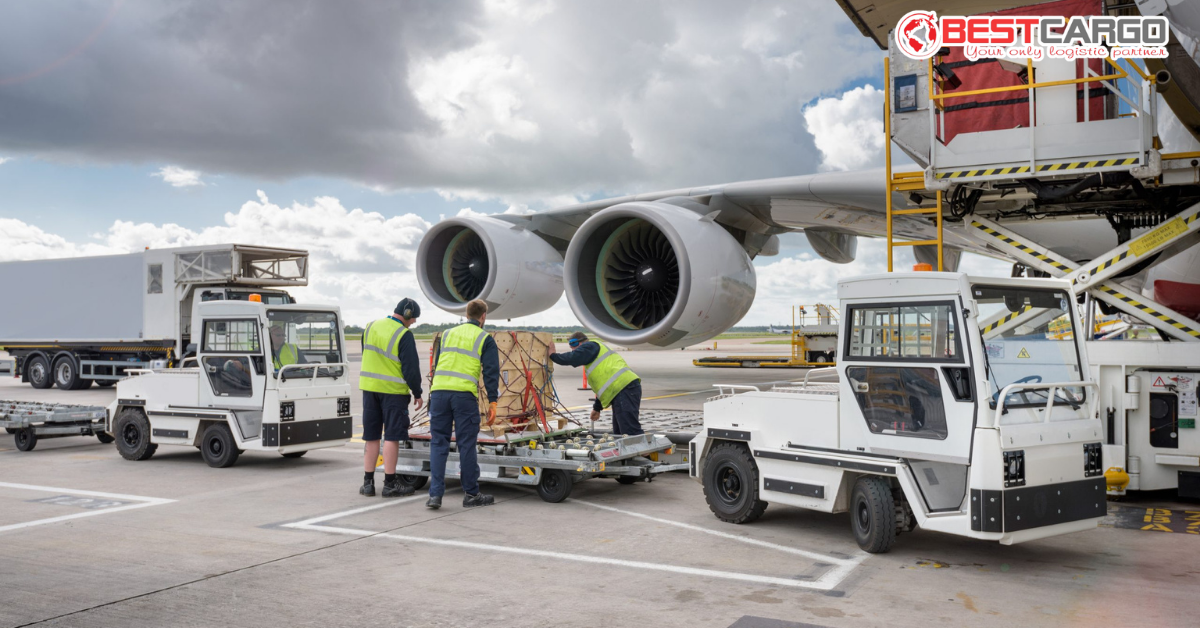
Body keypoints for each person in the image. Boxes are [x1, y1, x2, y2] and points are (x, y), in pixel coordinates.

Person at [426, 298, 499, 509]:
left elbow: (437, 363)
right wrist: (493, 401)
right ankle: (471, 494)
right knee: (466, 444)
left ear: (466, 314)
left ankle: (435, 495)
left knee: (438, 444)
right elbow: (491, 371)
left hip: (439, 393)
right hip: (463, 396)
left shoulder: (447, 334)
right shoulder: (484, 338)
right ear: (483, 316)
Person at [358, 298, 424, 498]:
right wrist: (417, 392)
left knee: (371, 437)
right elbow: (410, 368)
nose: (412, 323)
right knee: (392, 436)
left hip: (369, 389)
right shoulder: (403, 334)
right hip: (393, 392)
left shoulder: (370, 327)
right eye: (413, 319)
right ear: (406, 314)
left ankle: (367, 483)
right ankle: (389, 483)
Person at [550, 331, 643, 435]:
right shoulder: (593, 357)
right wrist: (597, 408)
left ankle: (643, 450)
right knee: (620, 433)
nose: (572, 349)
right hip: (621, 390)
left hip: (625, 388)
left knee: (629, 431)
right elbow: (604, 387)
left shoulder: (590, 345)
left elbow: (572, 357)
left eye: (574, 345)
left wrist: (553, 355)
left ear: (581, 342)